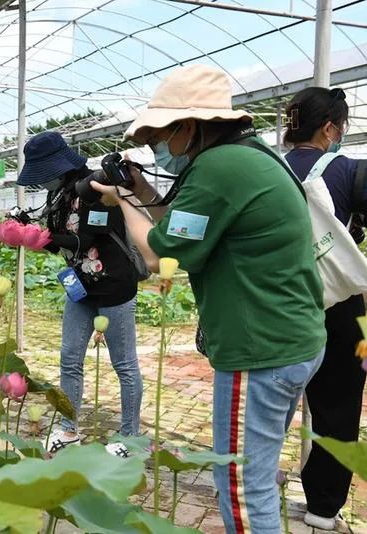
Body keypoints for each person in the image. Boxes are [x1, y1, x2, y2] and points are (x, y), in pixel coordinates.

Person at [91, 64, 326, 532]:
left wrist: (123, 202)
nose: (157, 147)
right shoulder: (249, 156)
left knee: (240, 485)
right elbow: (181, 221)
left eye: (160, 135)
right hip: (292, 340)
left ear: (189, 127)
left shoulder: (220, 167)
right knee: (256, 475)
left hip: (259, 349)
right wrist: (141, 190)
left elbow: (159, 252)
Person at [16, 131, 143, 454]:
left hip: (114, 285)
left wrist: (41, 237)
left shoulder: (96, 189)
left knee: (124, 365)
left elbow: (85, 239)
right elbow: (62, 244)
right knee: (70, 358)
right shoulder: (57, 197)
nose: (43, 182)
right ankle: (69, 428)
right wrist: (32, 235)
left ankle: (130, 436)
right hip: (80, 289)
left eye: (45, 174)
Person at [282, 87, 365, 531]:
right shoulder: (351, 171)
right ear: (330, 127)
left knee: (268, 397)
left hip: (274, 301)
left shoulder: (264, 168)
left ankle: (251, 478)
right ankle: (322, 506)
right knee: (337, 404)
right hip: (337, 304)